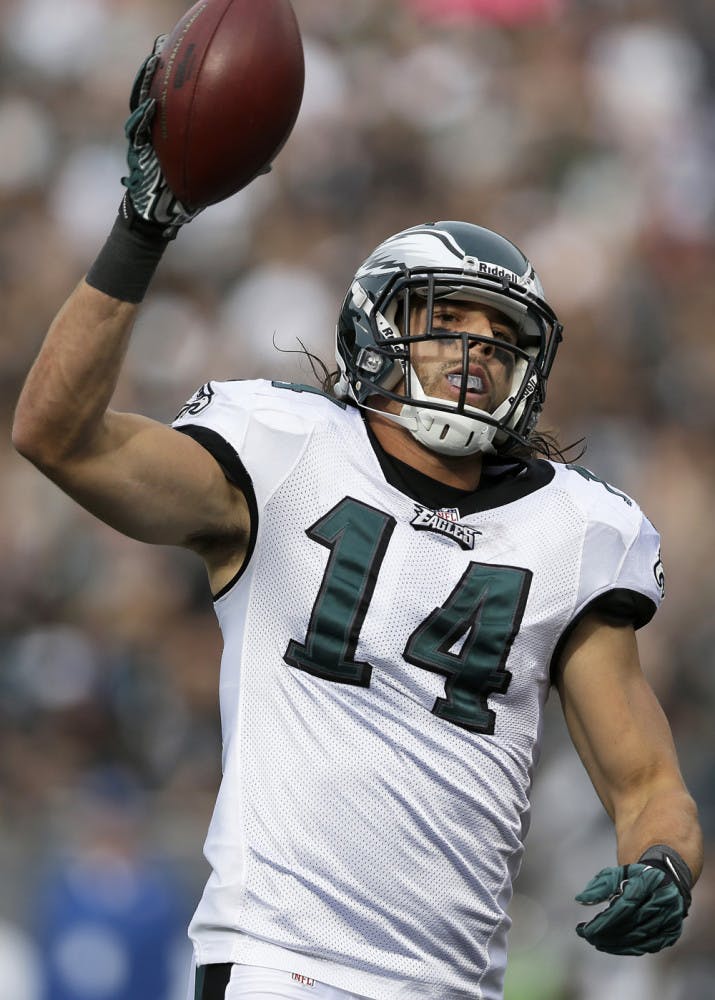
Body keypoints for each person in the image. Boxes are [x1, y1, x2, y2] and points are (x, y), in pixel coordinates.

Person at [12, 37, 703, 1000]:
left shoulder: (576, 530)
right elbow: (57, 435)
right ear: (378, 329)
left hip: (454, 984)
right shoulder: (284, 450)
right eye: (450, 322)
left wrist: (664, 865)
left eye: (503, 339)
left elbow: (647, 787)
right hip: (278, 964)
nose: (477, 354)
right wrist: (145, 224)